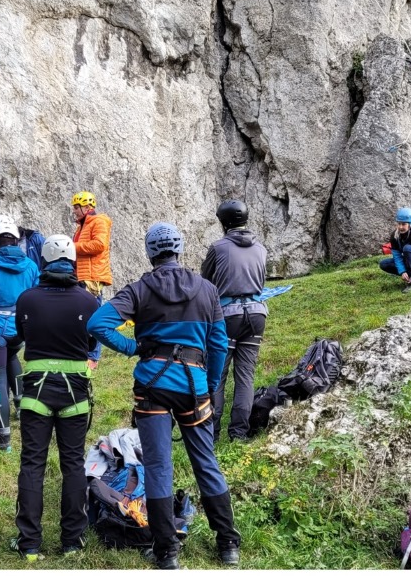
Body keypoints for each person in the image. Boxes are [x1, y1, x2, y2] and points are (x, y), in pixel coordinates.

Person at [88, 222, 241, 570]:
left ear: (150, 252)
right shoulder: (207, 290)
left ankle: (166, 551)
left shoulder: (139, 289)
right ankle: (228, 544)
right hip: (194, 387)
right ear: (179, 248)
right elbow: (217, 344)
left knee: (158, 467)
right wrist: (210, 384)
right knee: (206, 462)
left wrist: (132, 347)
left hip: (153, 387)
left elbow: (97, 324)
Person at [12, 234, 100, 561]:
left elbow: (22, 336)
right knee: (73, 464)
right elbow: (93, 343)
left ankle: (30, 545)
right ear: (73, 260)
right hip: (75, 392)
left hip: (36, 392)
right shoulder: (89, 302)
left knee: (32, 464)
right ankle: (72, 542)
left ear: (44, 261)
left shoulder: (27, 299)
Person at [201, 199, 268, 443]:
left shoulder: (218, 248)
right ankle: (238, 433)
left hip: (227, 315)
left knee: (217, 375)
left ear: (224, 222)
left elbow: (205, 281)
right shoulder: (261, 248)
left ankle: (212, 433)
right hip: (257, 314)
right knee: (246, 376)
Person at [0, 214, 39, 451]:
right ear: (16, 240)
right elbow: (36, 296)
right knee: (12, 356)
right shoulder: (31, 265)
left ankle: (3, 438)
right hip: (20, 328)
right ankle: (20, 405)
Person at [71, 191, 112, 370]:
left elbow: (99, 245)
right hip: (81, 276)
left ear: (87, 207)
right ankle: (83, 352)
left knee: (93, 316)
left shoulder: (99, 221)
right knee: (81, 316)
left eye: (76, 208)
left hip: (92, 278)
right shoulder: (81, 227)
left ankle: (93, 357)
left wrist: (72, 247)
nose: (74, 211)